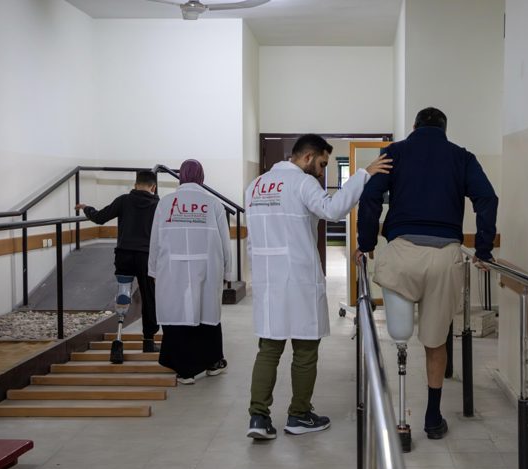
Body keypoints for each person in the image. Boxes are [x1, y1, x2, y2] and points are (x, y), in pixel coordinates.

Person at [356, 107, 498, 440]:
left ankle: (400, 423)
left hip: (401, 254)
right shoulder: (462, 157)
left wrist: (366, 243)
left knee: (400, 337)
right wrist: (483, 249)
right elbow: (487, 198)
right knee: (435, 342)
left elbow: (371, 195)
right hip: (445, 257)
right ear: (445, 130)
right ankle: (433, 418)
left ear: (414, 126)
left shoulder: (395, 152)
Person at [245, 134, 392, 440]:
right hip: (298, 277)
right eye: (323, 164)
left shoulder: (256, 186)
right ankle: (299, 415)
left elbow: (252, 237)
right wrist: (363, 174)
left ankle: (258, 418)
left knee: (269, 347)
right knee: (305, 348)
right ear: (308, 157)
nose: (323, 171)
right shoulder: (302, 182)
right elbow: (333, 210)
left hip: (267, 278)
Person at [148, 160, 231, 385]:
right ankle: (212, 362)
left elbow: (155, 240)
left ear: (181, 176)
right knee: (207, 312)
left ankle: (185, 371)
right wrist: (228, 272)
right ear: (201, 177)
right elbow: (225, 242)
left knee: (177, 314)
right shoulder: (213, 204)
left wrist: (153, 270)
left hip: (172, 269)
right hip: (207, 268)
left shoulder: (165, 203)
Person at [76, 170, 160, 355]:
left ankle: (119, 338)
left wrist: (87, 208)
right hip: (146, 257)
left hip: (124, 255)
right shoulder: (158, 205)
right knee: (149, 297)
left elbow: (100, 218)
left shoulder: (124, 200)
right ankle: (148, 341)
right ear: (153, 187)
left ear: (135, 184)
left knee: (123, 295)